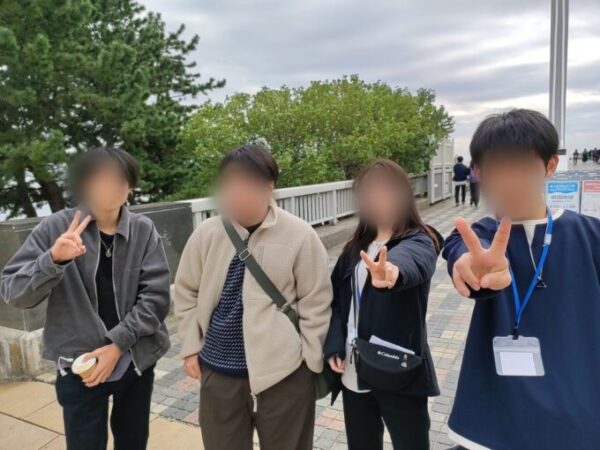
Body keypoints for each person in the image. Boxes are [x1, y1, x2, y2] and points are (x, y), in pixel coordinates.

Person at [442, 109, 600, 450]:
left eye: (521, 167)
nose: (508, 182)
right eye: (496, 169)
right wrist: (472, 270)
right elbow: (461, 254)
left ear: (549, 166)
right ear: (479, 172)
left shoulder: (590, 235)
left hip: (578, 415)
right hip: (493, 419)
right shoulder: (479, 235)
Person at [1, 147, 171, 450]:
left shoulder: (143, 230)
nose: (109, 187)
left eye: (119, 179)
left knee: (133, 441)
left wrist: (116, 345)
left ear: (130, 187)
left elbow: (156, 298)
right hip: (79, 365)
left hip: (134, 357)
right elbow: (14, 293)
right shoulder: (55, 228)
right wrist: (54, 259)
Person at [174, 144, 332, 450]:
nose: (237, 194)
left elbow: (317, 301)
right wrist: (191, 348)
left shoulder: (300, 235)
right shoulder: (207, 233)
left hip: (284, 373)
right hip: (218, 371)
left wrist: (309, 362)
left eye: (247, 184)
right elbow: (185, 291)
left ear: (269, 186)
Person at [324, 159, 441, 450]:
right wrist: (335, 344)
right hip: (354, 367)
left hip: (398, 368)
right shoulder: (356, 247)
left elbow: (412, 262)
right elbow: (337, 301)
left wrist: (391, 273)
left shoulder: (420, 240)